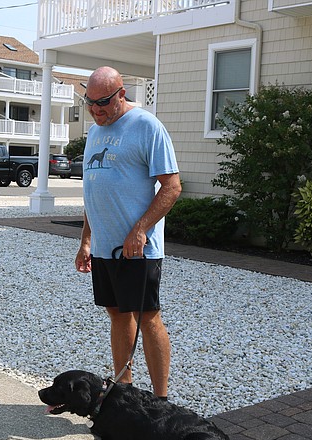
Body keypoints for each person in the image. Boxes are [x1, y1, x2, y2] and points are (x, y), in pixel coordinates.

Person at [74, 66, 181, 399]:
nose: (95, 110)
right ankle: (124, 393)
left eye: (102, 102)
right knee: (118, 314)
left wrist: (141, 229)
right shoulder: (95, 131)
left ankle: (161, 400)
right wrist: (86, 240)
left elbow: (172, 187)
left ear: (122, 93)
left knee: (148, 317)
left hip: (138, 249)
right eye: (89, 103)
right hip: (105, 247)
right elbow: (95, 191)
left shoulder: (147, 126)